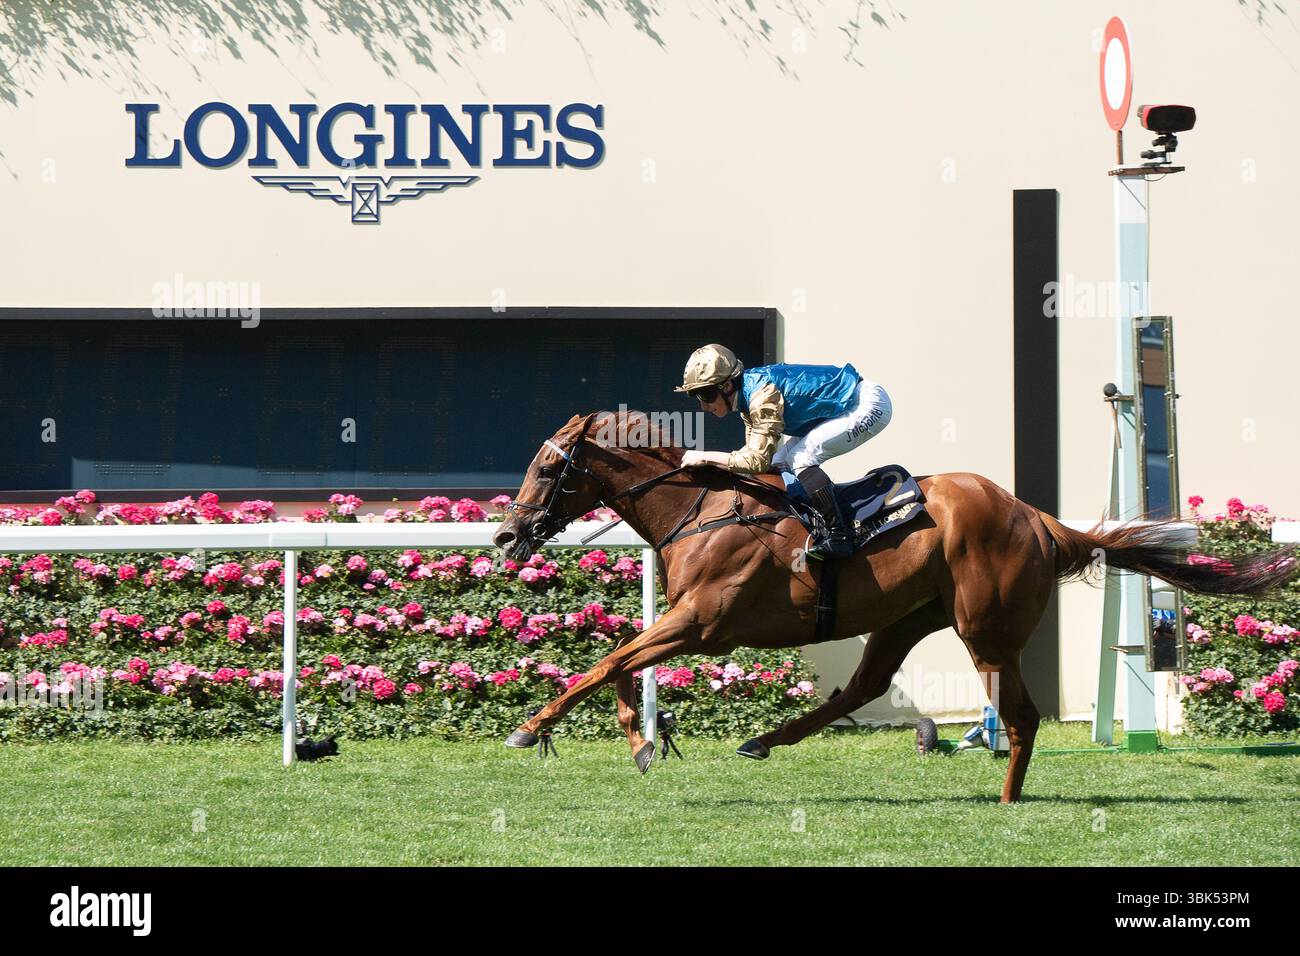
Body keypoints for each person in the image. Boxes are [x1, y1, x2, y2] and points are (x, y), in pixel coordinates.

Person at [674, 344, 892, 559]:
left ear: (728, 386)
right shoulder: (746, 398)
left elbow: (755, 461)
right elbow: (758, 460)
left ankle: (839, 535)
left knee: (801, 458)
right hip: (844, 407)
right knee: (779, 461)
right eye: (697, 396)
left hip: (866, 404)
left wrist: (703, 456)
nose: (703, 406)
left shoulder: (760, 397)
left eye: (705, 395)